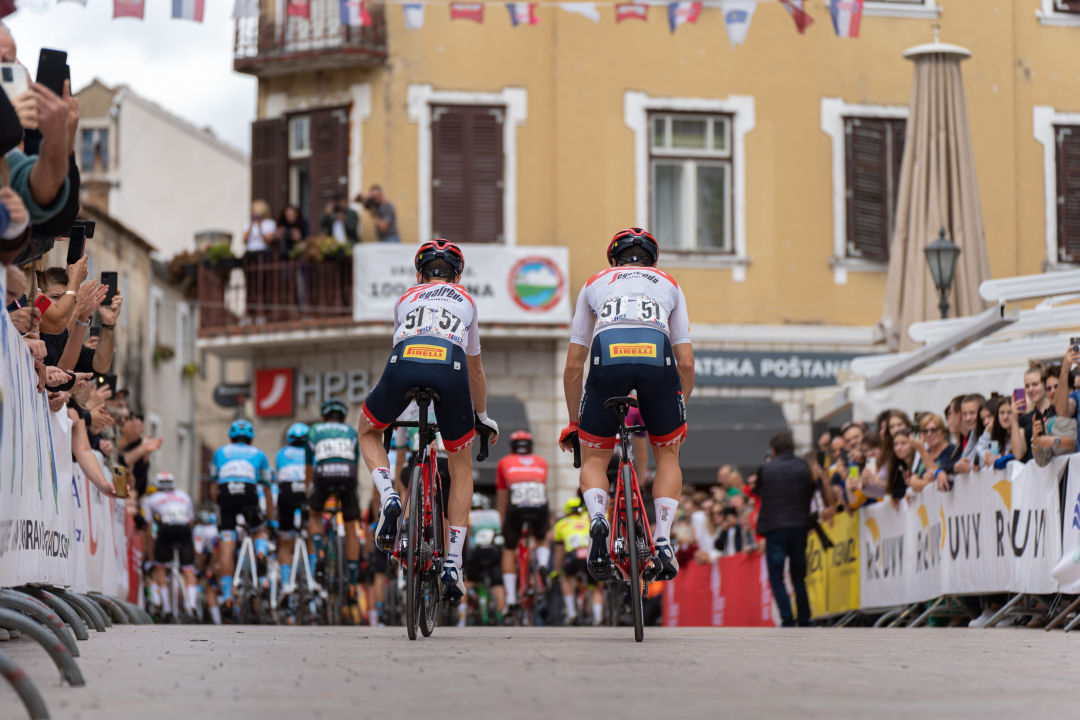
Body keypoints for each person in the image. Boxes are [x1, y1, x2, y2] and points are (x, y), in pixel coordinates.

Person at [357, 239, 499, 603]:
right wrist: (482, 417)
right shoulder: (466, 300)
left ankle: (389, 497)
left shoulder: (405, 298)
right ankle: (453, 562)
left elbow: (397, 348)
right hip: (449, 366)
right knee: (461, 465)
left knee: (368, 431)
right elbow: (476, 370)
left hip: (404, 362)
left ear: (419, 275)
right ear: (457, 277)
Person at [559, 228, 694, 584]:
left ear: (613, 260)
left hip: (608, 357)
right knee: (668, 455)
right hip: (657, 359)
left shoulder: (594, 282)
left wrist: (574, 422)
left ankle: (598, 518)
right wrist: (678, 411)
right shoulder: (669, 284)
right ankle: (662, 538)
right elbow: (686, 364)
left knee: (594, 459)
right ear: (653, 261)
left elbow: (573, 365)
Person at [210, 419, 273, 611]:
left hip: (226, 494)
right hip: (248, 493)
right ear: (251, 439)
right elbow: (267, 489)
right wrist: (270, 520)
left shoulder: (220, 452)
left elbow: (213, 488)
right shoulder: (259, 454)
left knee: (227, 546)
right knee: (259, 529)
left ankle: (228, 597)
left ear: (231, 437)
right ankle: (260, 552)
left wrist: (220, 507)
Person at [305, 399, 362, 606]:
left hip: (323, 474)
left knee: (314, 514)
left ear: (323, 417)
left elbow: (309, 469)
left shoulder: (314, 430)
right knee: (350, 524)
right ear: (343, 417)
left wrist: (308, 495)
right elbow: (355, 465)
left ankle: (320, 551)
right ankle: (352, 584)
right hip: (348, 475)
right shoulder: (351, 432)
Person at [754, 433, 813, 627]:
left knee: (777, 577)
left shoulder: (766, 468)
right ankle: (804, 619)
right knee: (799, 578)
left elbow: (758, 491)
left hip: (775, 528)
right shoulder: (803, 466)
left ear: (774, 449)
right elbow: (812, 489)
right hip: (799, 526)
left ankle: (787, 619)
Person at [496, 430, 550, 609]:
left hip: (516, 505)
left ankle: (511, 598)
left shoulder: (504, 462)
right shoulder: (541, 462)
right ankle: (543, 563)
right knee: (541, 538)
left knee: (509, 548)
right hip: (539, 503)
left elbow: (502, 497)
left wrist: (502, 521)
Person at [141, 472, 198, 618]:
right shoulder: (184, 496)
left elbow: (148, 530)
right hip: (184, 529)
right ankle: (192, 605)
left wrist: (151, 555)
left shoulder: (151, 499)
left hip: (166, 529)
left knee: (160, 568)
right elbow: (191, 522)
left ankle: (166, 607)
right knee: (188, 570)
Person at [551, 497, 602, 625]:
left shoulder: (560, 524)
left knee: (566, 579)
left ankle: (571, 612)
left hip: (573, 555)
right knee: (595, 588)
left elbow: (559, 551)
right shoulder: (588, 520)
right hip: (591, 554)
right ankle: (598, 617)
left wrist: (556, 571)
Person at [275, 422, 310, 593]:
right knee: (313, 532)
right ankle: (313, 578)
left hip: (287, 494)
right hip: (306, 492)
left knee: (285, 543)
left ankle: (286, 584)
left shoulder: (281, 454)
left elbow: (278, 479)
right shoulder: (312, 452)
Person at [462, 493, 505, 626]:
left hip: (478, 552)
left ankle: (462, 617)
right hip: (495, 551)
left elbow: (468, 539)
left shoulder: (470, 515)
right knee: (498, 584)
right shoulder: (495, 514)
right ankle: (502, 616)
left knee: (467, 581)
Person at [1013, 363, 1055, 463]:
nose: (1031, 389)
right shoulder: (1024, 418)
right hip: (1032, 469)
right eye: (1027, 386)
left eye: (1035, 384)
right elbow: (1019, 454)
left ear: (1045, 384)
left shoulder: (1058, 411)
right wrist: (1013, 419)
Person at [192, 509, 221, 625]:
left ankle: (193, 612)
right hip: (217, 563)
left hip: (206, 564)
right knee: (211, 591)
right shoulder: (215, 529)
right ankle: (218, 620)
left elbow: (200, 552)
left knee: (206, 590)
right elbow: (215, 549)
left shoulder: (198, 529)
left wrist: (200, 568)